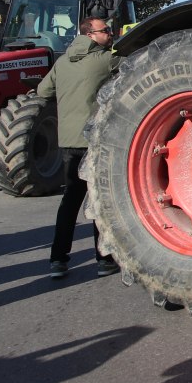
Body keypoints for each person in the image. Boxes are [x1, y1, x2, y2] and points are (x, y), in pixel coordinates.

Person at [38, 16, 121, 278]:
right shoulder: (105, 60)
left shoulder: (62, 62)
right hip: (94, 141)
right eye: (105, 30)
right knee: (100, 200)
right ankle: (104, 260)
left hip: (68, 143)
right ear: (90, 35)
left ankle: (58, 259)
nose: (110, 34)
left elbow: (42, 91)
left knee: (70, 201)